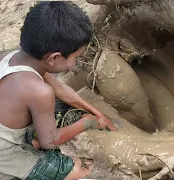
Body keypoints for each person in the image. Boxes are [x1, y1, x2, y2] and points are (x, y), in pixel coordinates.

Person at [0, 1, 116, 180]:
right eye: (76, 58)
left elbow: (60, 88)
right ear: (54, 58)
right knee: (79, 170)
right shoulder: (39, 92)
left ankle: (31, 142)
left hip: (5, 130)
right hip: (5, 157)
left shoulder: (15, 56)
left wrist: (97, 112)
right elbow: (50, 142)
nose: (75, 63)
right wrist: (87, 122)